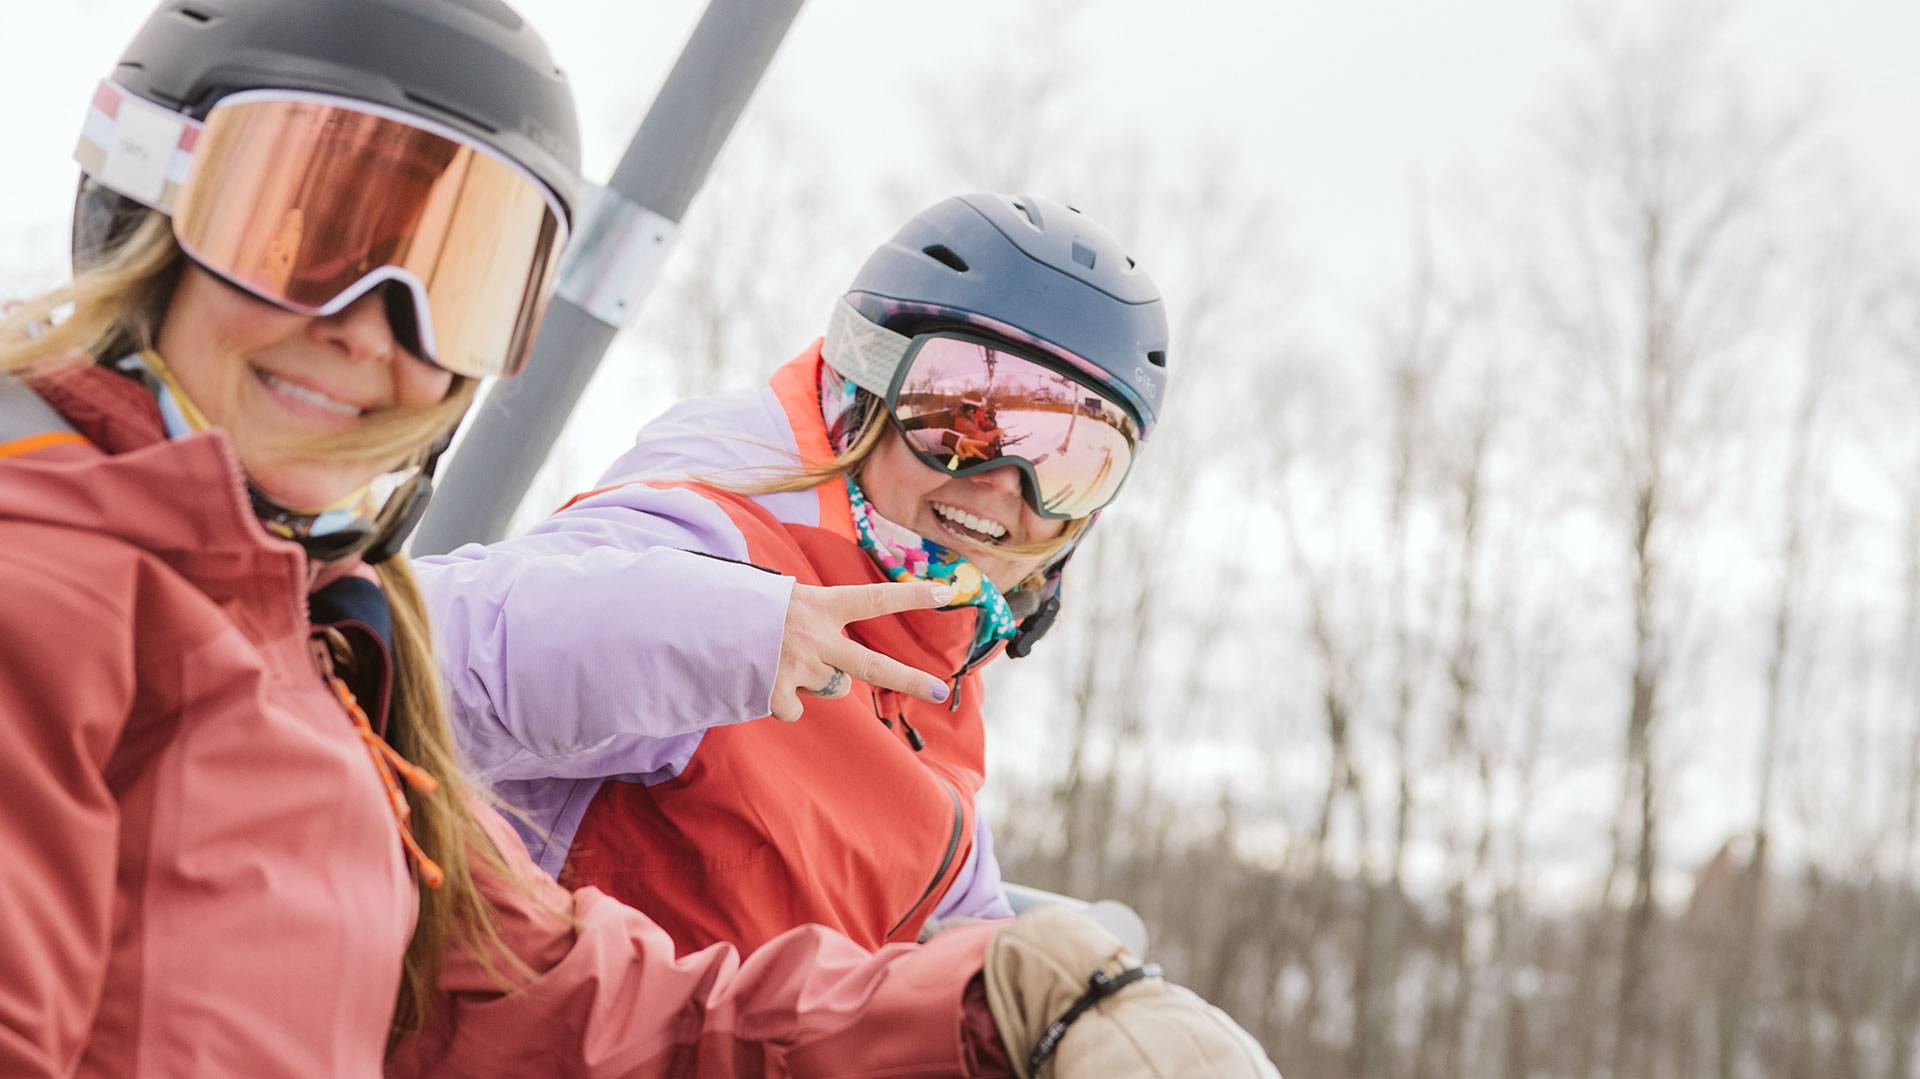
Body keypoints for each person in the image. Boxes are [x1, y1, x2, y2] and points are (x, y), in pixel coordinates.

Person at [0, 2, 1281, 1076]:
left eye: (460, 281)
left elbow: (566, 1003)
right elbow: (495, 633)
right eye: (301, 233)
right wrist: (722, 618)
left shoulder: (315, 659)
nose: (370, 328)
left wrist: (1008, 1002)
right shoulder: (55, 592)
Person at [417, 192, 1170, 956]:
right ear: (866, 391)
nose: (1008, 481)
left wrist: (1048, 999)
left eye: (1072, 460)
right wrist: (705, 626)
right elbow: (405, 647)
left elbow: (950, 918)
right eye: (963, 418)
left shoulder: (937, 682)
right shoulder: (710, 541)